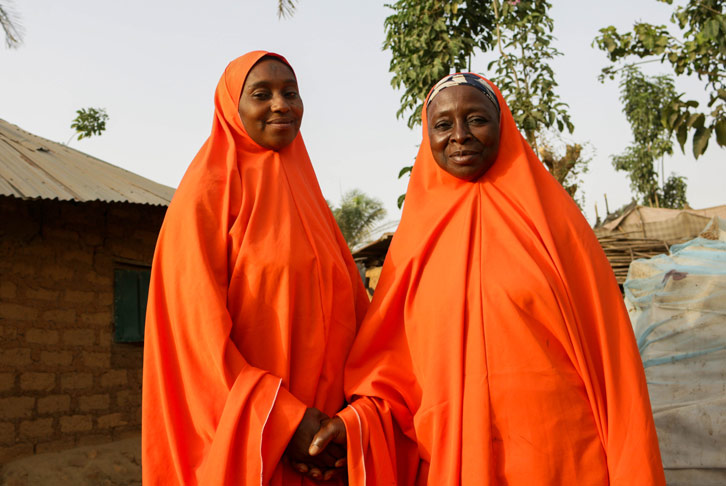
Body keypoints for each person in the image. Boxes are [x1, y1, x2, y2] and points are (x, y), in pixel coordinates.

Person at [309, 73, 666, 485]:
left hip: (561, 457)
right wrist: (356, 424)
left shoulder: (556, 229)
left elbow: (612, 365)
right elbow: (393, 375)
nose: (459, 135)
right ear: (428, 138)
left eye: (476, 119)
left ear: (503, 126)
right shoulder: (413, 246)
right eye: (443, 124)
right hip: (452, 456)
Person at [142, 51, 369, 485]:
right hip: (253, 443)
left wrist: (350, 420)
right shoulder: (208, 195)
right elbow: (194, 339)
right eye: (261, 94)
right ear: (232, 106)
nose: (281, 105)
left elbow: (357, 316)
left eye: (291, 93)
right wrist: (284, 421)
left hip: (329, 447)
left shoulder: (310, 199)